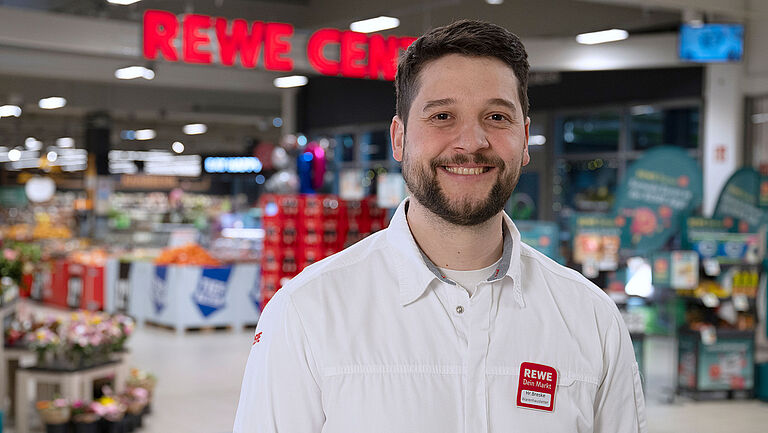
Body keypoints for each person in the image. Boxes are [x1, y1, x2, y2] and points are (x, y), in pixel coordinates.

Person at [233, 19, 647, 433]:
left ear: (523, 140)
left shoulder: (591, 319)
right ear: (399, 139)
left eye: (496, 117)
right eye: (443, 115)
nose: (471, 141)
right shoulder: (307, 312)